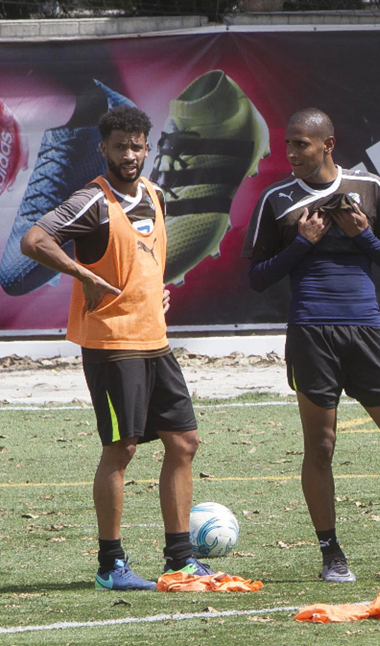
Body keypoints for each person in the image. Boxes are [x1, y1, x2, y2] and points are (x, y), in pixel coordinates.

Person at [241, 108, 380, 582]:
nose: (292, 153)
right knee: (320, 446)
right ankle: (331, 555)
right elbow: (258, 278)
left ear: (328, 145)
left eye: (302, 144)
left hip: (366, 331)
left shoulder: (369, 188)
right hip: (311, 333)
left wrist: (362, 236)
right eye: (288, 144)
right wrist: (301, 244)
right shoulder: (276, 200)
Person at [20, 105, 213, 590]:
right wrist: (84, 274)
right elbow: (34, 239)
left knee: (184, 442)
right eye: (120, 146)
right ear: (103, 149)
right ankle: (111, 565)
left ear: (148, 148)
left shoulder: (155, 195)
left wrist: (157, 289)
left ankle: (180, 560)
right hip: (112, 344)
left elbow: (143, 260)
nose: (130, 154)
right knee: (122, 448)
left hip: (156, 341)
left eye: (137, 145)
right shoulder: (93, 200)